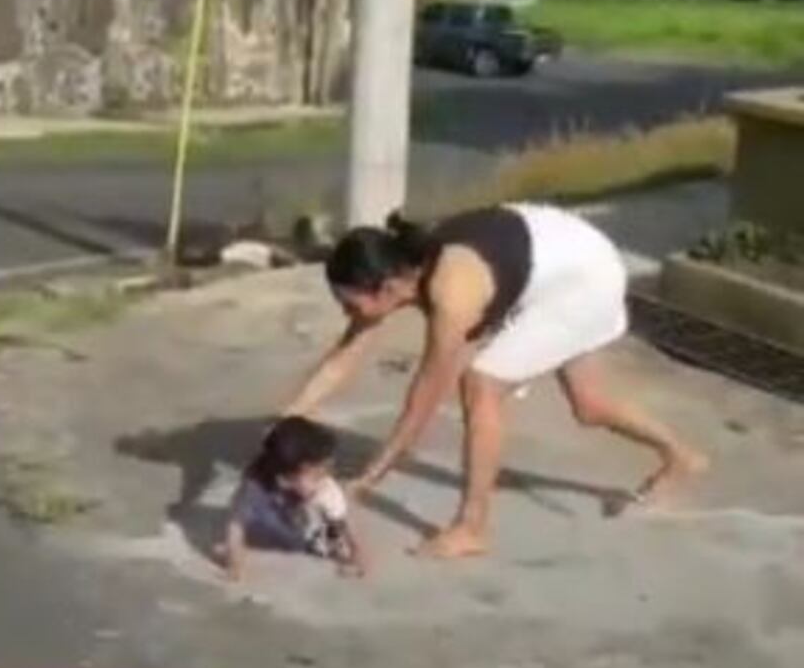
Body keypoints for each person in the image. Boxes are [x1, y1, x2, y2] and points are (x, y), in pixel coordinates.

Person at [283, 203, 707, 559]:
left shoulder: (452, 293)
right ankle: (683, 456)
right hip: (568, 258)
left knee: (480, 384)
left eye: (349, 303)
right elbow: (342, 358)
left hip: (583, 279)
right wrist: (286, 421)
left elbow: (423, 402)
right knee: (589, 404)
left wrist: (370, 477)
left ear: (388, 288)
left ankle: (472, 527)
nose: (347, 314)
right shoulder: (404, 271)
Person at [222, 417, 367, 582]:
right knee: (248, 518)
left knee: (322, 534)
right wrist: (234, 565)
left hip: (303, 530)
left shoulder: (324, 491)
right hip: (273, 520)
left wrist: (356, 555)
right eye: (317, 475)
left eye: (325, 470)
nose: (325, 477)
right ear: (284, 480)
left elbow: (341, 523)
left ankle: (298, 533)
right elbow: (235, 525)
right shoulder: (254, 487)